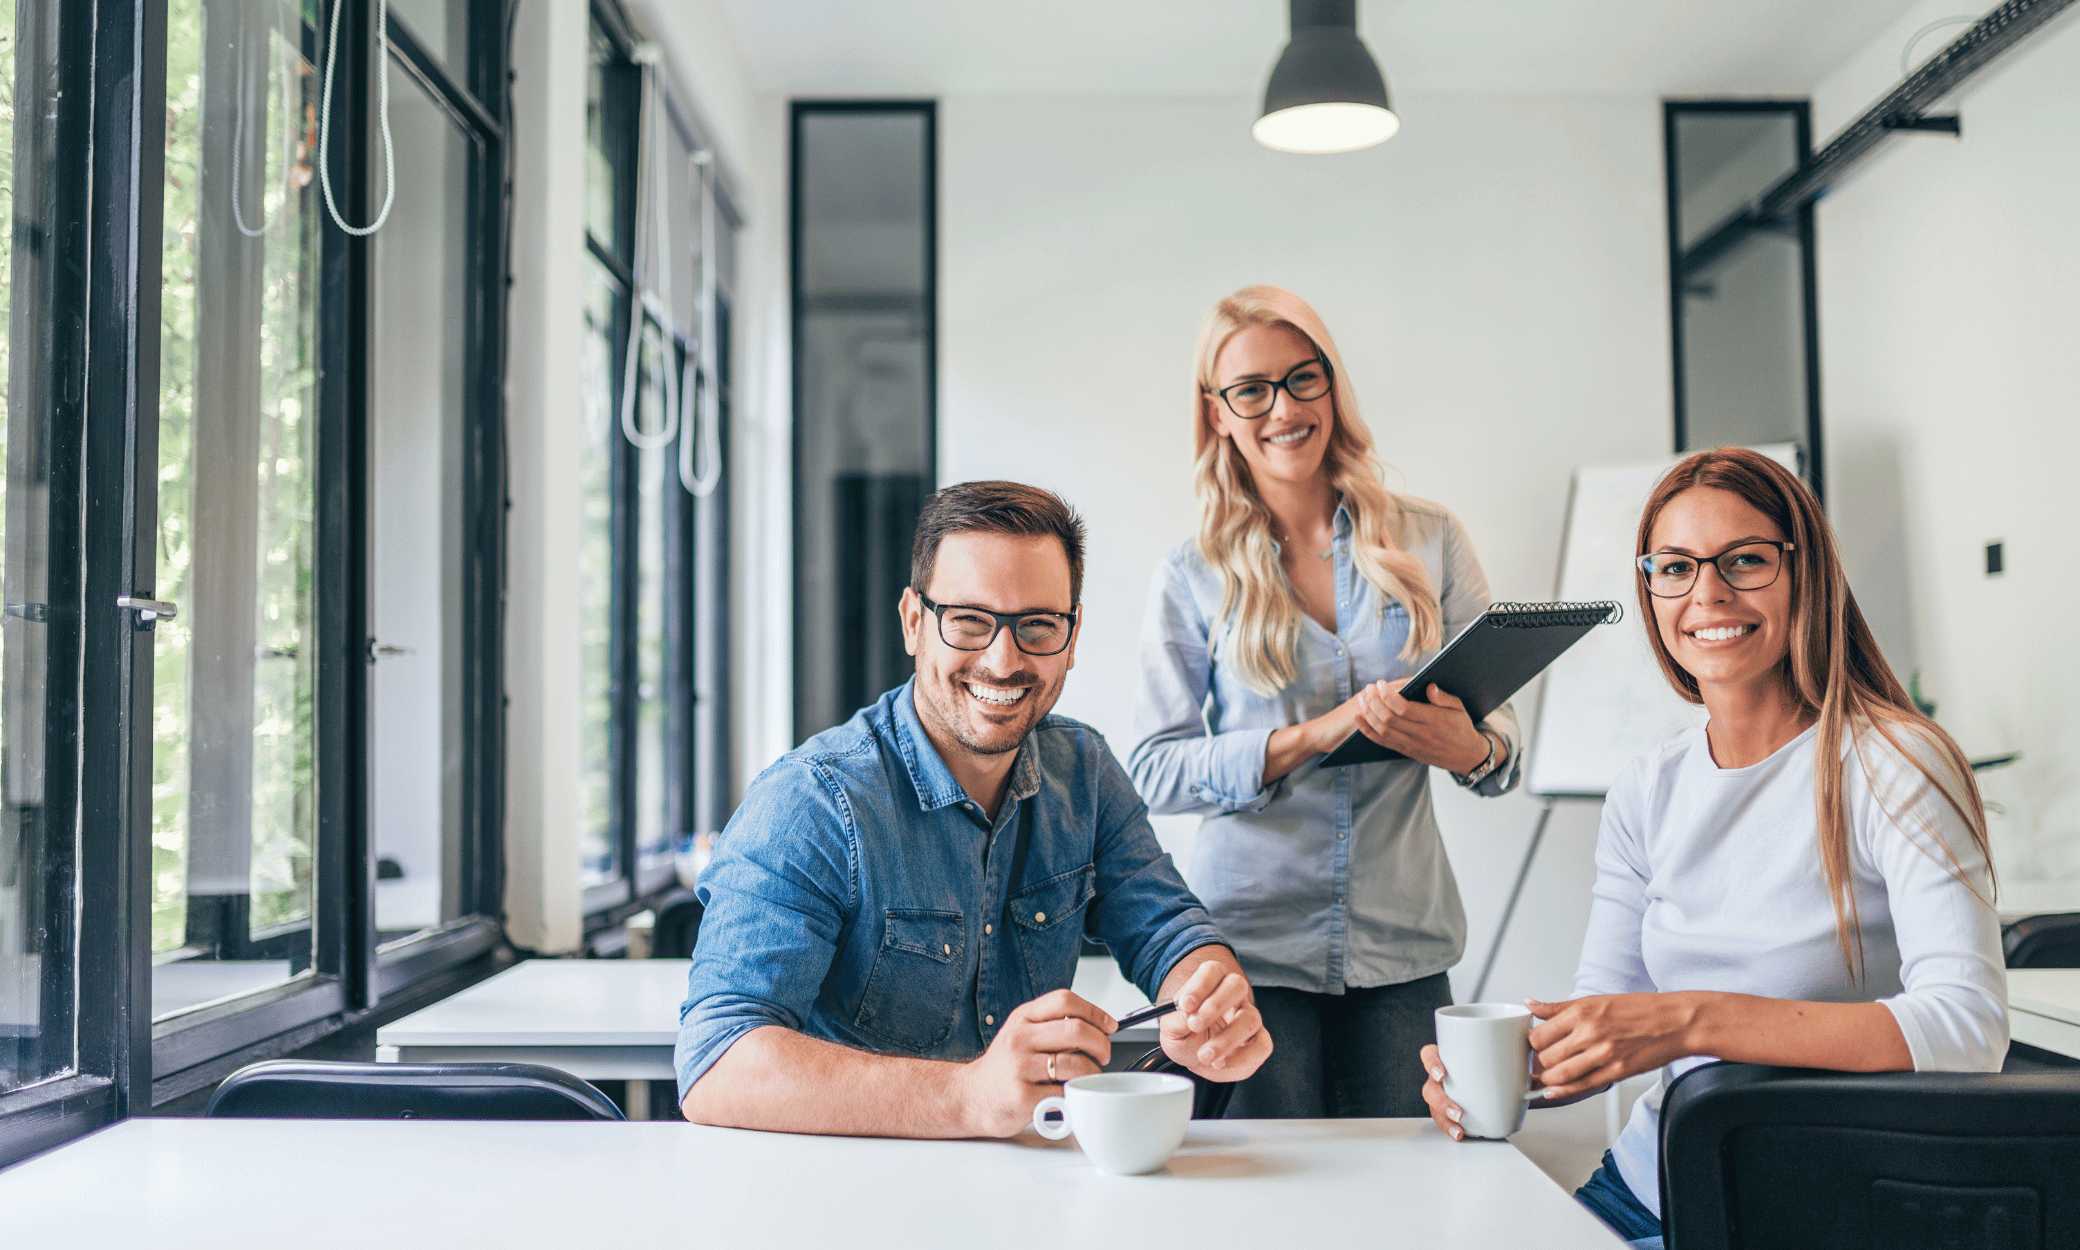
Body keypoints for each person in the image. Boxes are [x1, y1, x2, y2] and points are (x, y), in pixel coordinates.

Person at [1420, 447, 2006, 1248]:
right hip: (1648, 1185)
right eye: (1676, 567)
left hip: (1817, 1210)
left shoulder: (1891, 763)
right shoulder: (1646, 789)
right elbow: (1609, 1014)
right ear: (1651, 587)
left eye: (1745, 561)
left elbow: (1967, 1029)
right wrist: (1500, 1065)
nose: (1708, 594)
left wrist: (1693, 1022)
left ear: (1805, 573)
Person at [677, 480, 1272, 1136]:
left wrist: (1209, 994)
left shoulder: (1086, 773)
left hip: (1028, 1189)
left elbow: (1167, 931)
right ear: (913, 622)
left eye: (1038, 626)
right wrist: (967, 1095)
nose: (1002, 659)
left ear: (1072, 638)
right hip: (849, 1203)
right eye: (968, 621)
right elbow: (716, 1063)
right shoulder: (811, 802)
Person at [1128, 286, 1521, 1119]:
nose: (1283, 409)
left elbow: (1502, 742)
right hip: (1248, 946)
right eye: (1252, 390)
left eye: (1303, 379)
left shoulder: (1431, 538)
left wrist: (1470, 750)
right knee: (1269, 1199)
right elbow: (1153, 770)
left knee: (1410, 1194)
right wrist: (1310, 738)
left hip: (1402, 942)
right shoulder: (1189, 573)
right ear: (1219, 412)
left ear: (1332, 386)